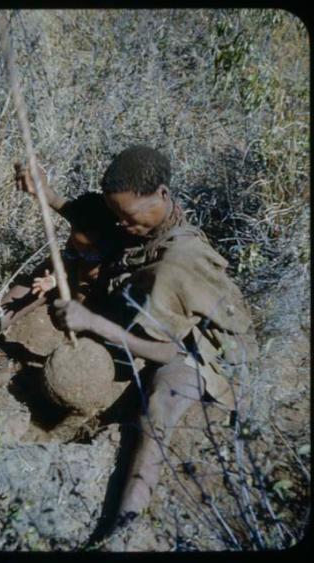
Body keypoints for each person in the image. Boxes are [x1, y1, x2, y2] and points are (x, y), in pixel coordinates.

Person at [52, 145, 258, 525]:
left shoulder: (179, 261)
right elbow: (105, 228)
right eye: (118, 216)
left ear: (162, 194)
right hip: (159, 316)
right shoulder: (146, 222)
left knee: (158, 409)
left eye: (128, 218)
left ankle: (124, 527)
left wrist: (94, 324)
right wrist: (45, 193)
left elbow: (166, 351)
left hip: (199, 346)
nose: (124, 225)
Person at [0, 163, 120, 373]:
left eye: (92, 250)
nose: (85, 253)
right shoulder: (80, 236)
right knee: (39, 279)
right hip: (71, 285)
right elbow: (68, 262)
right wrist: (52, 281)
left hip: (100, 307)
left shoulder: (120, 250)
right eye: (78, 245)